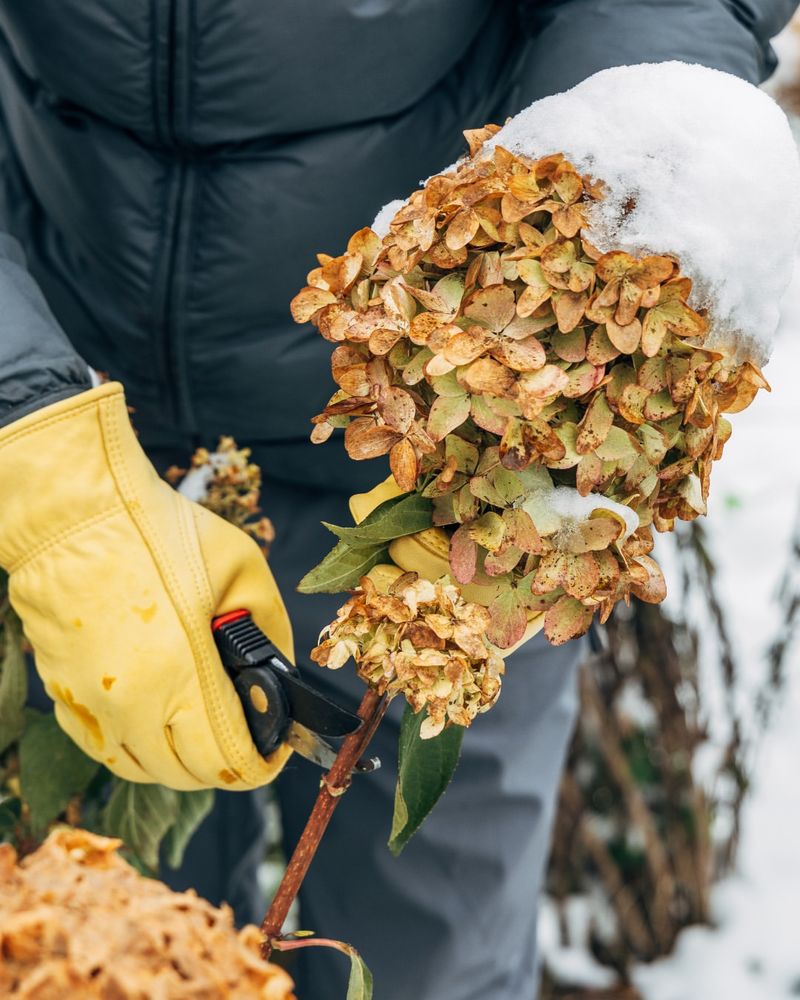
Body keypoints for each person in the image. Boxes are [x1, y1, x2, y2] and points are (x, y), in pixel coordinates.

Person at [0, 2, 794, 997]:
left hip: (444, 440)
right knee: (105, 939)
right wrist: (34, 443)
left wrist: (579, 279)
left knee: (431, 957)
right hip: (79, 396)